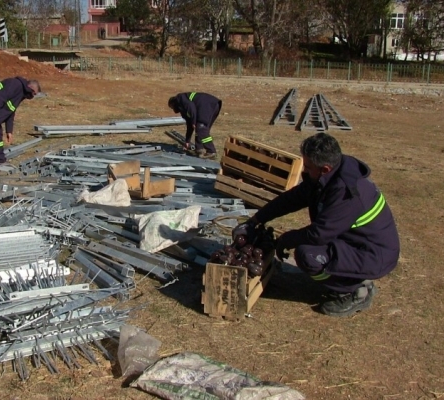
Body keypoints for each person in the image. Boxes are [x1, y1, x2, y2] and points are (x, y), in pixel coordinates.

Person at [232, 132, 400, 317]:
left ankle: (355, 291)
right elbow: (293, 199)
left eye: (308, 167)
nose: (304, 170)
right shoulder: (331, 173)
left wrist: (286, 240)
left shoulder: (346, 193)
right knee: (311, 251)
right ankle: (350, 277)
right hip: (355, 243)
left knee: (308, 256)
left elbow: (319, 234)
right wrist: (256, 219)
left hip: (374, 254)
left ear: (325, 168)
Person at [167, 92, 222, 160]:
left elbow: (191, 107)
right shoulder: (183, 109)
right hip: (214, 105)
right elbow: (189, 126)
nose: (173, 110)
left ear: (173, 103)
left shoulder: (180, 98)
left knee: (200, 128)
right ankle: (199, 149)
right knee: (202, 130)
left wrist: (193, 122)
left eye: (172, 107)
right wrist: (187, 141)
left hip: (207, 104)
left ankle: (211, 151)